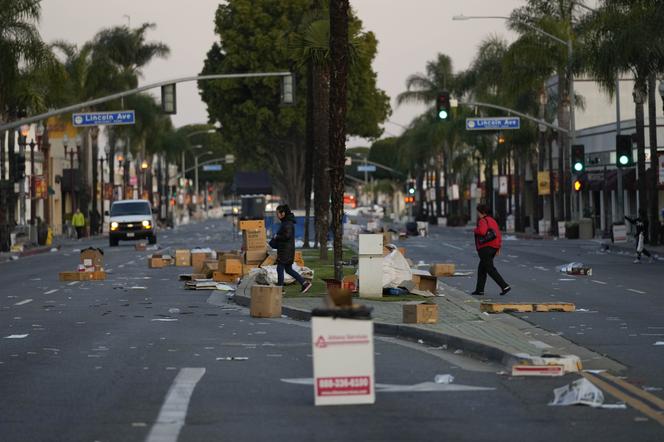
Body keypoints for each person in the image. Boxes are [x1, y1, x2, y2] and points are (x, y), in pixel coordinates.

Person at [271, 204, 312, 293]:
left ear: (283, 213)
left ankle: (280, 288)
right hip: (286, 250)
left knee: (280, 268)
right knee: (288, 269)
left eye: (278, 213)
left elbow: (287, 236)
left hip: (285, 251)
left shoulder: (287, 223)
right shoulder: (286, 222)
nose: (277, 215)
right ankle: (304, 283)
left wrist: (277, 236)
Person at [472, 204, 510, 296]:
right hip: (493, 247)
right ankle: (479, 290)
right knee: (482, 269)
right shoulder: (492, 220)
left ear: (480, 212)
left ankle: (504, 286)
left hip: (485, 247)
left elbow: (482, 231)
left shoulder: (482, 221)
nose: (477, 214)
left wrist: (475, 230)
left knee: (490, 268)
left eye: (477, 212)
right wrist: (498, 247)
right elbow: (498, 234)